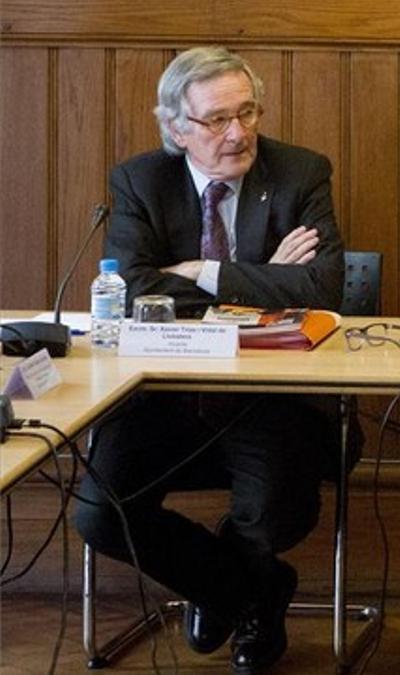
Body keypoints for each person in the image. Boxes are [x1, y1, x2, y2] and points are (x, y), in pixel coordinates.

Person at [73, 46, 359, 675]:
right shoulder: (140, 180)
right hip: (162, 396)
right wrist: (262, 279)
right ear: (177, 129)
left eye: (248, 112)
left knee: (275, 512)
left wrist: (203, 271)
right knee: (99, 514)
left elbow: (323, 289)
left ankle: (236, 588)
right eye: (216, 120)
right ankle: (245, 592)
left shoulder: (299, 172)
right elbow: (133, 292)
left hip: (271, 396)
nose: (239, 133)